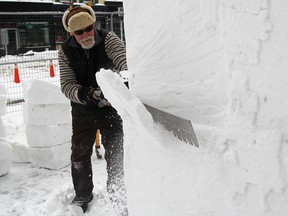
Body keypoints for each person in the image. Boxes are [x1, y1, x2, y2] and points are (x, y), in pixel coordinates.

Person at [58, 4, 128, 215]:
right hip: (83, 110)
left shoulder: (108, 39)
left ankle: (118, 192)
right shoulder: (66, 52)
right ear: (71, 33)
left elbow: (125, 63)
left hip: (111, 108)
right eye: (79, 32)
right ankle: (83, 195)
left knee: (116, 151)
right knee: (79, 155)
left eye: (89, 28)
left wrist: (117, 86)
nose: (86, 34)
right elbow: (66, 85)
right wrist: (87, 94)